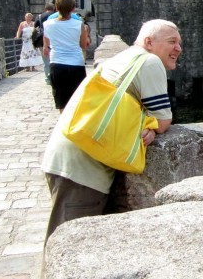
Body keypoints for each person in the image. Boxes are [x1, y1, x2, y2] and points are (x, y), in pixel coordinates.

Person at [41, 19, 182, 240]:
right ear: (148, 42)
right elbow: (164, 120)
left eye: (179, 43)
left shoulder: (123, 58)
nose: (178, 49)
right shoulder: (149, 62)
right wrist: (152, 127)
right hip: (82, 169)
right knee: (71, 249)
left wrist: (146, 124)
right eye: (172, 41)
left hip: (70, 155)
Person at [42, 0, 89, 112]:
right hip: (76, 64)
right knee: (77, 101)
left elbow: (47, 43)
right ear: (73, 9)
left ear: (56, 8)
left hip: (57, 63)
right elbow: (83, 45)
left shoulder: (47, 24)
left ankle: (64, 127)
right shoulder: (79, 24)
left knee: (61, 102)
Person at [34, 2, 56, 84]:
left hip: (42, 41)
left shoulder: (39, 16)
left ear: (45, 9)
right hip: (53, 40)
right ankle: (54, 77)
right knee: (54, 60)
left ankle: (47, 79)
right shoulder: (55, 16)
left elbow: (35, 27)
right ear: (53, 9)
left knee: (46, 61)